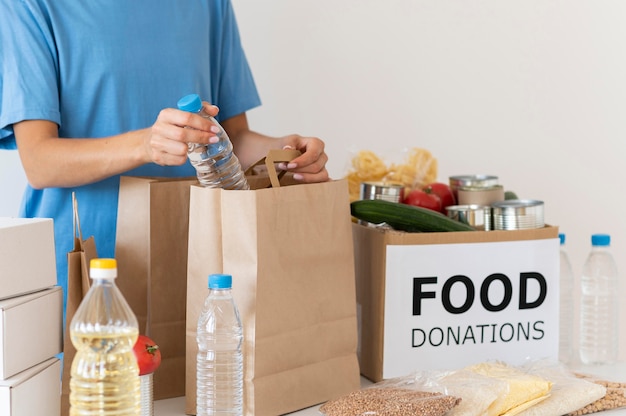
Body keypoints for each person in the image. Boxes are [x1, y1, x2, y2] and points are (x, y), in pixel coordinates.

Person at [0, 0, 329, 317]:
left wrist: (286, 153)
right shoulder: (30, 4)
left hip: (193, 266)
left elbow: (231, 141)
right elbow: (39, 161)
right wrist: (146, 144)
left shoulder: (210, 4)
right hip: (82, 272)